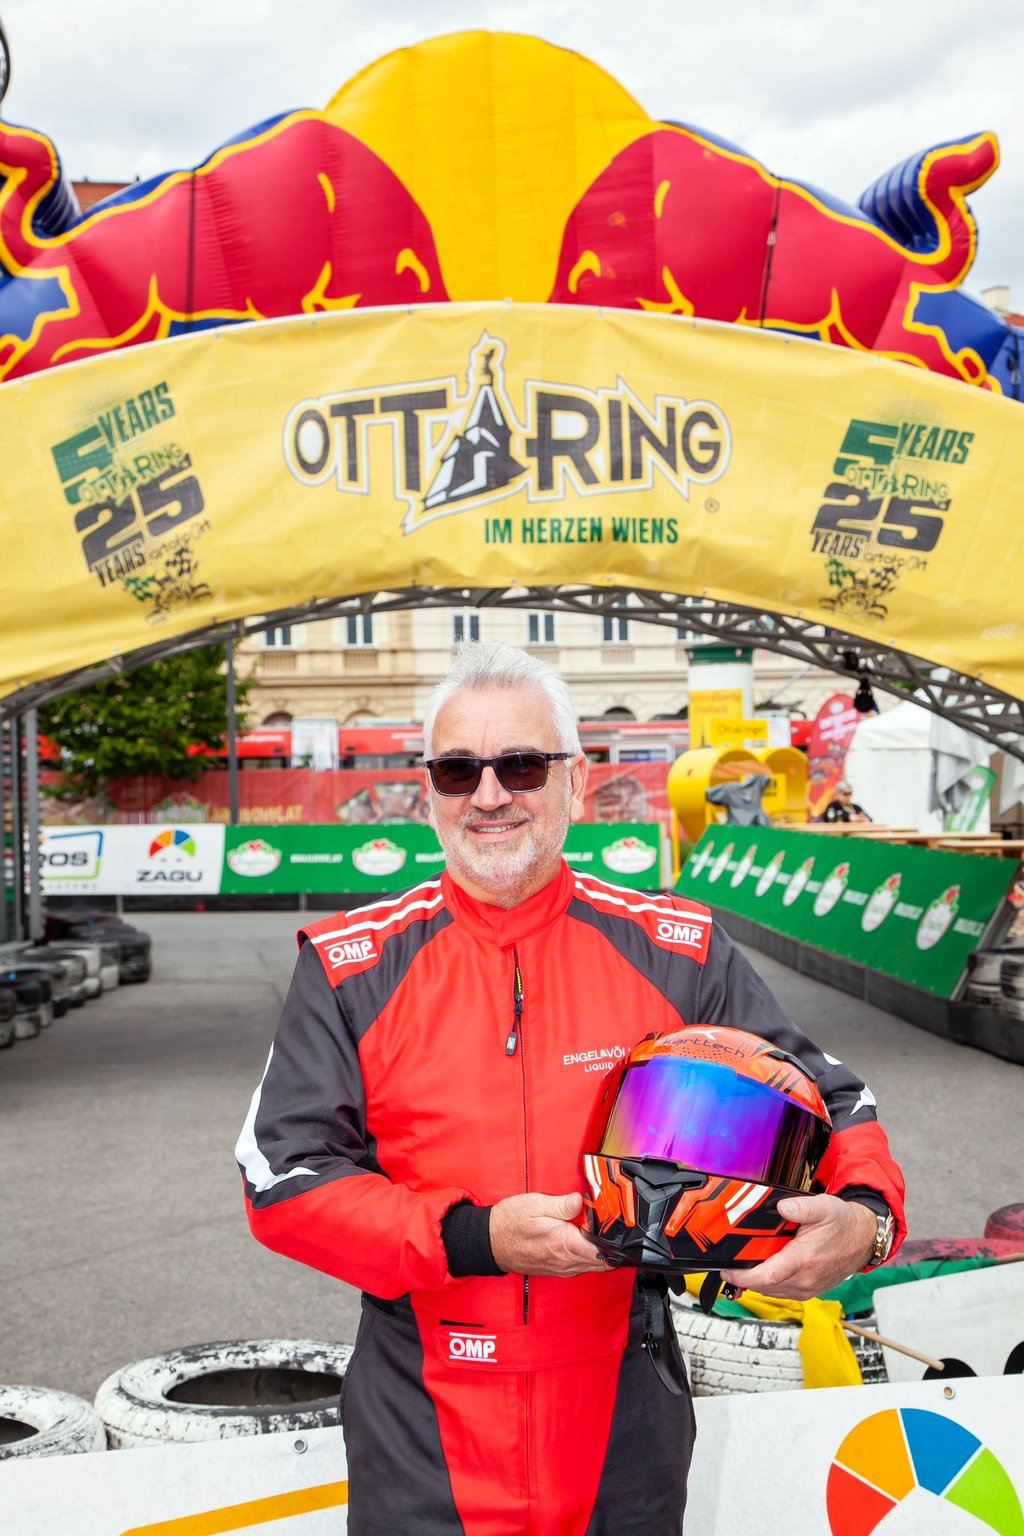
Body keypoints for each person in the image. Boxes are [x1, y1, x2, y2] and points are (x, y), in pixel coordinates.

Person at [237, 642, 904, 1535]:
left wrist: (866, 1220)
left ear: (576, 782)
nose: (489, 795)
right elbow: (282, 1181)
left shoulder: (678, 949)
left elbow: (831, 1102)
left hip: (626, 1414)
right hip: (420, 1424)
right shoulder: (348, 967)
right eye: (457, 769)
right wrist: (476, 1237)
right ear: (427, 792)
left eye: (521, 764)